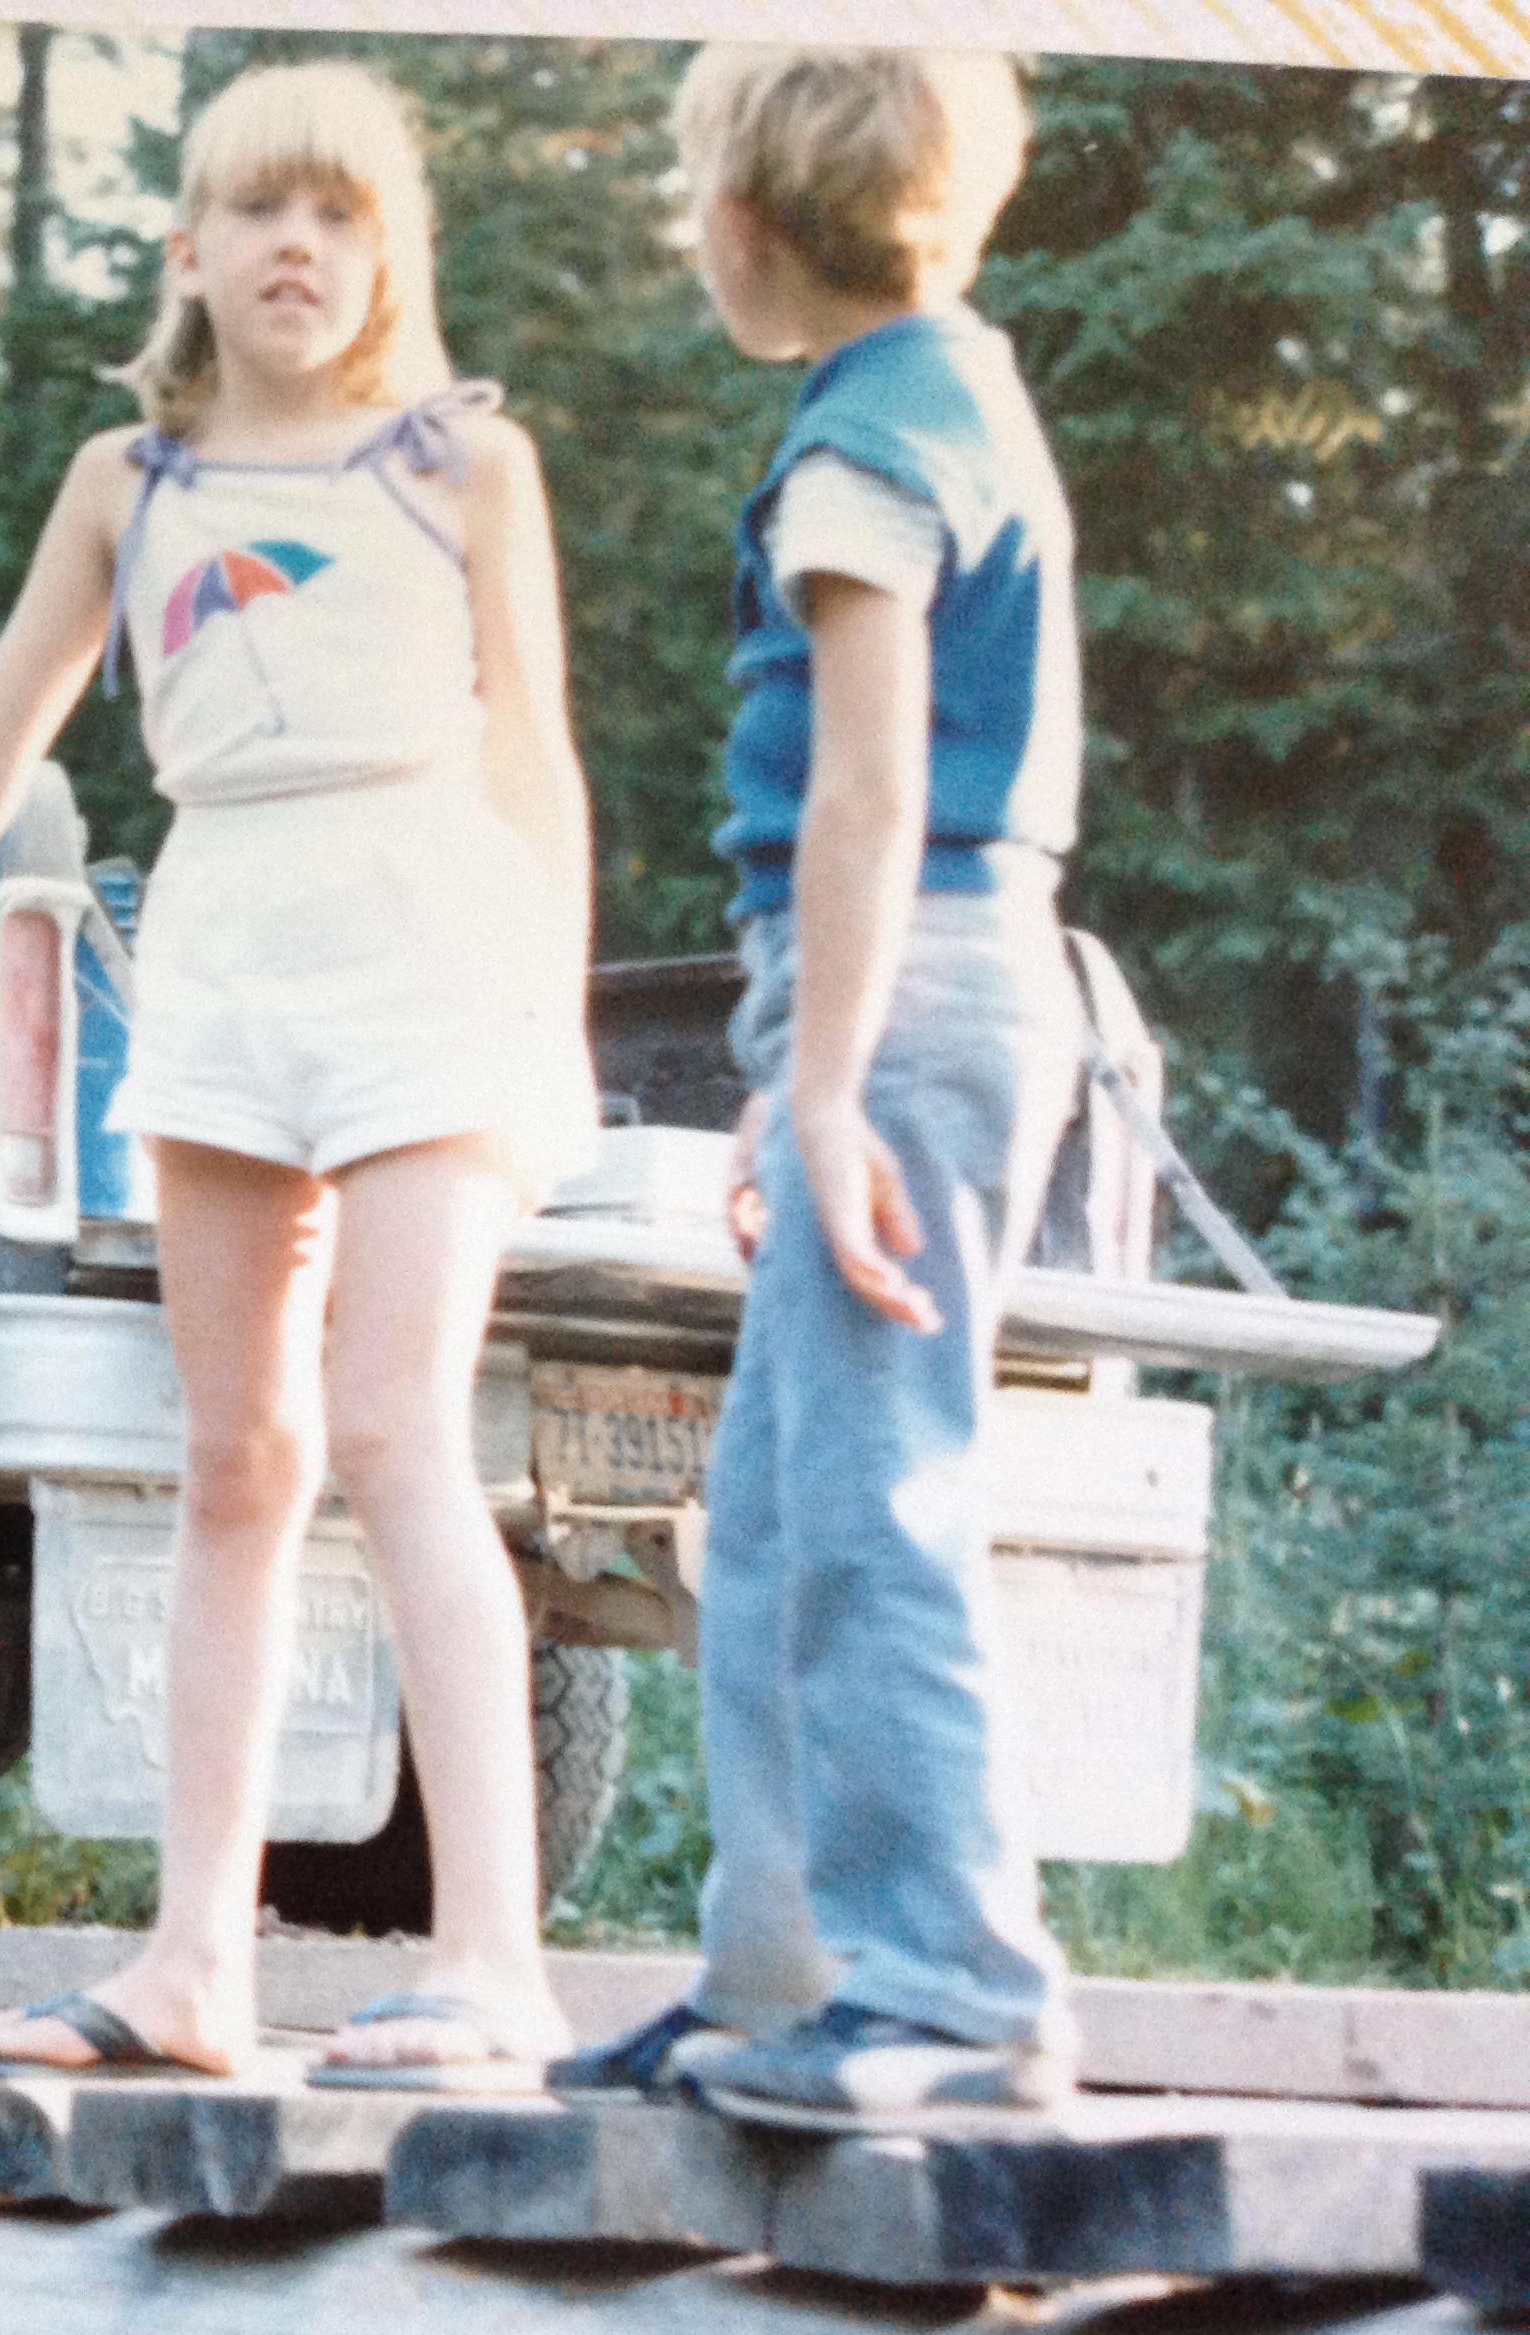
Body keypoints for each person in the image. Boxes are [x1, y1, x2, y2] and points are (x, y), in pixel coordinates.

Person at [0, 59, 598, 2085]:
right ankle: (194, 1965)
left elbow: (537, 753)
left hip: (424, 948)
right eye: (258, 213)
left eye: (341, 214)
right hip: (223, 954)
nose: (298, 247)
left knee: (396, 1433)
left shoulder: (463, 462)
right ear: (192, 250)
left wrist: (539, 1021)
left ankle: (494, 1960)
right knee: (231, 1462)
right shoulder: (138, 484)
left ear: (391, 252)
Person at [552, 46, 1085, 2124]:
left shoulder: (872, 447)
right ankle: (782, 1979)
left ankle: (957, 1988)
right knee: (771, 1516)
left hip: (914, 979)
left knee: (876, 1508)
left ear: (749, 224)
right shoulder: (948, 389)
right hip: (885, 991)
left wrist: (836, 1084)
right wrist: (802, 1074)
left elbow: (872, 790)